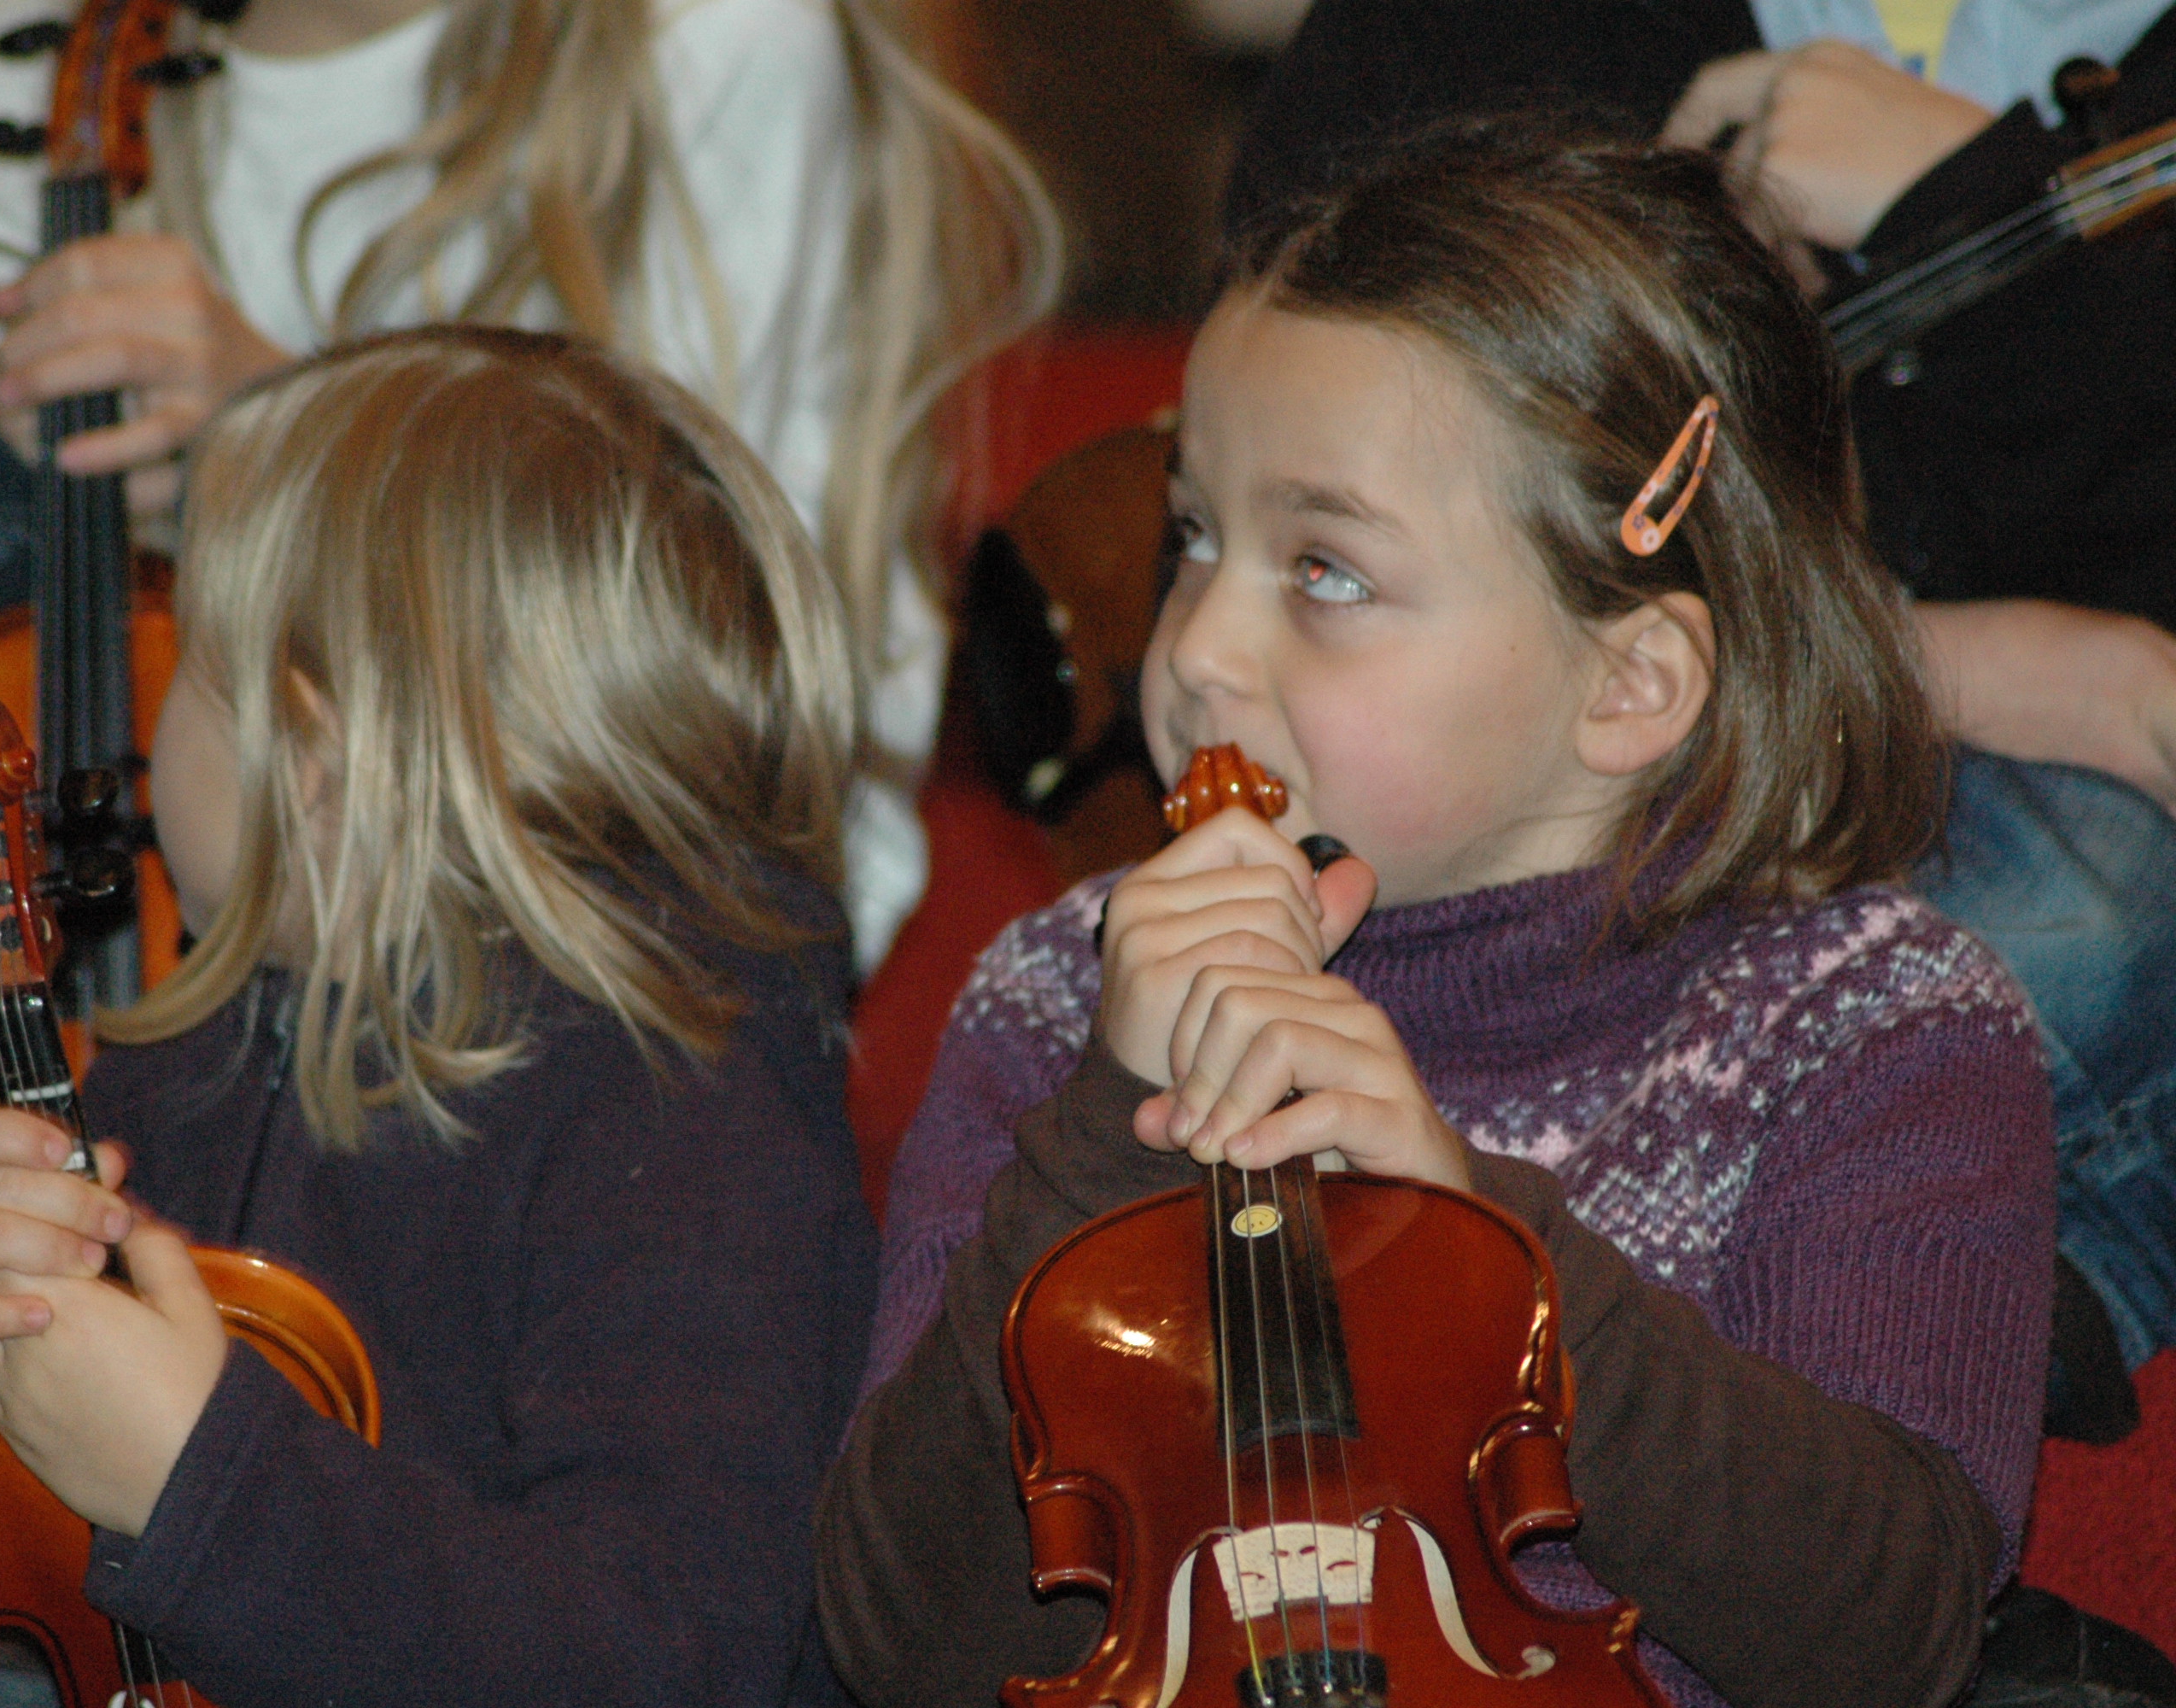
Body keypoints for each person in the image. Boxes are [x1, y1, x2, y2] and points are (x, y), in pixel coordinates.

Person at [816, 126, 2055, 1708]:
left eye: (1325, 571)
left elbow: (1892, 1637)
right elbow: (898, 1645)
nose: (1195, 651)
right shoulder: (1063, 997)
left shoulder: (1871, 1024)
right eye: (1194, 536)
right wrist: (1106, 1143)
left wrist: (1483, 1262)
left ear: (1630, 684)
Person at [0, 328, 873, 1707]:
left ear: (315, 754)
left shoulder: (686, 1133)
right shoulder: (200, 1054)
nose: (153, 717)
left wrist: (202, 1491)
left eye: (194, 665)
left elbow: (663, 1656)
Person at [1225, 0, 2176, 1413]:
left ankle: (1958, 1297)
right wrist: (1943, 661)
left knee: (2083, 898)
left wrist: (1973, 209)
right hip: (1564, 806)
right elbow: (1279, 551)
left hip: (2035, 846)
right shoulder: (1466, 43)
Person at [0, 0, 1058, 971]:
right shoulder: (26, 51)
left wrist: (287, 435)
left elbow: (705, 670)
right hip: (191, 832)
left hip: (613, 871)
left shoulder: (710, 37)